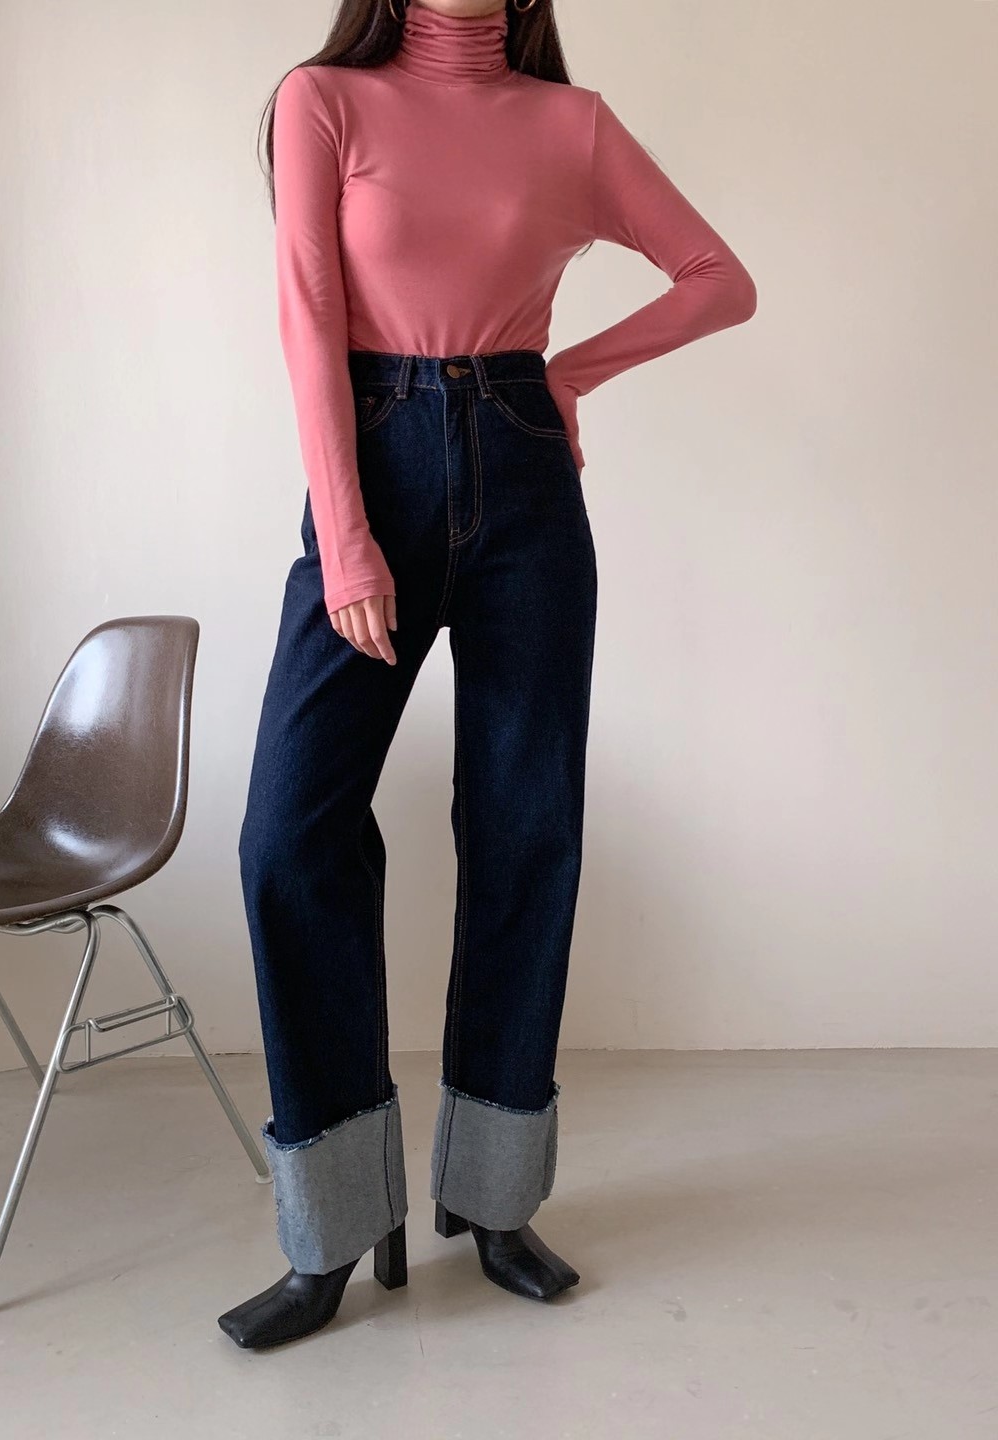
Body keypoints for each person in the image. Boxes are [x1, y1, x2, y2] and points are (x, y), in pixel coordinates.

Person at [219, 0, 757, 1350]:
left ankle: (495, 1199)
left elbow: (718, 278)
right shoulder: (323, 101)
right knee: (289, 835)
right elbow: (307, 317)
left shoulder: (570, 124)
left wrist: (565, 375)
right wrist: (346, 534)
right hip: (375, 461)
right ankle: (336, 1225)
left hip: (522, 477)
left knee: (526, 832)